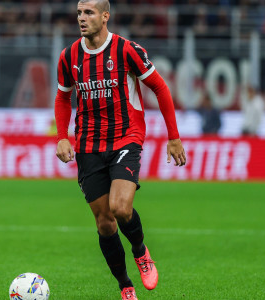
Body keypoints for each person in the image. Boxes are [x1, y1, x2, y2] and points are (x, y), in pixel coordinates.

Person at [53, 1, 187, 299]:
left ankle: (140, 251)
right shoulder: (69, 56)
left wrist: (173, 136)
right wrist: (62, 136)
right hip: (88, 144)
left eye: (88, 13)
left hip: (126, 137)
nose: (81, 18)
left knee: (120, 207)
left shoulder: (127, 50)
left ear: (105, 16)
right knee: (104, 223)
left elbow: (160, 88)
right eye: (78, 13)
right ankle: (125, 285)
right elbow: (63, 98)